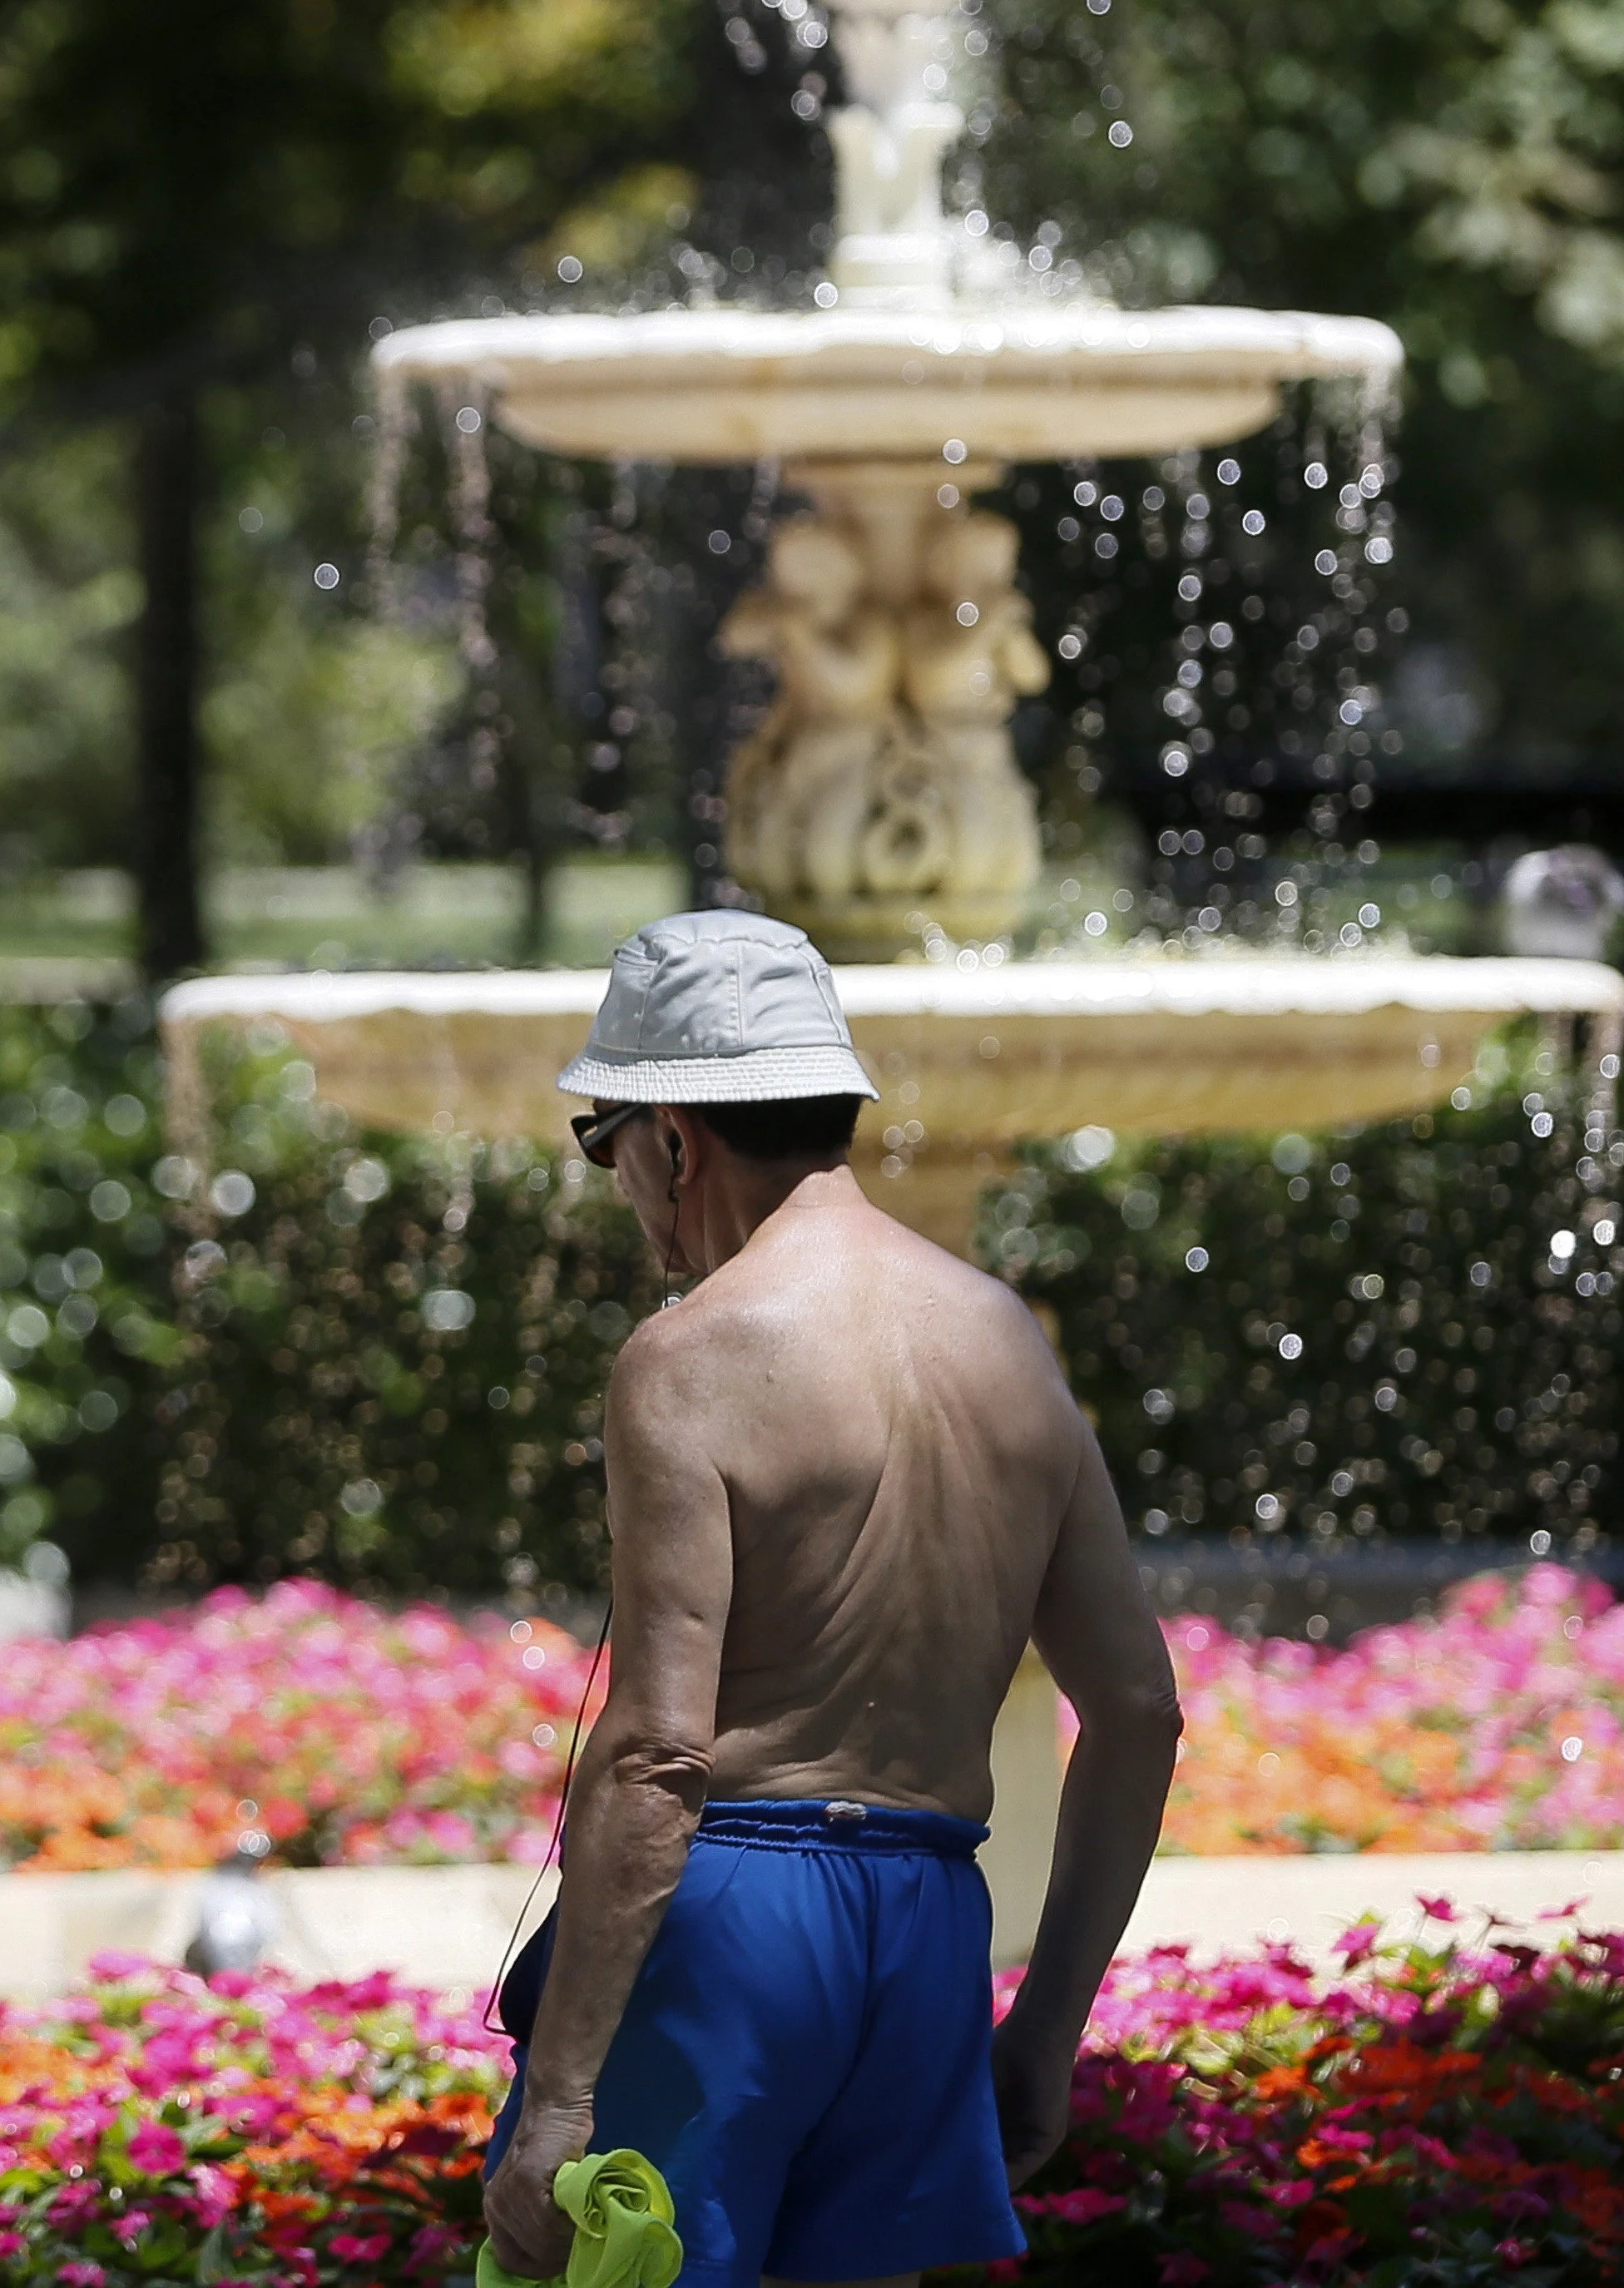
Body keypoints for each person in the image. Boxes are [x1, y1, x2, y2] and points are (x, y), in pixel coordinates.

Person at [482, 908, 1183, 2288]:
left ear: (672, 1136)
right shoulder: (1006, 1340)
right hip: (925, 1920)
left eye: (604, 1144)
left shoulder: (688, 1355)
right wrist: (1043, 2031)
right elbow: (1140, 1709)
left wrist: (559, 2091)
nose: (617, 1187)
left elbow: (663, 1746)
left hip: (728, 1920)